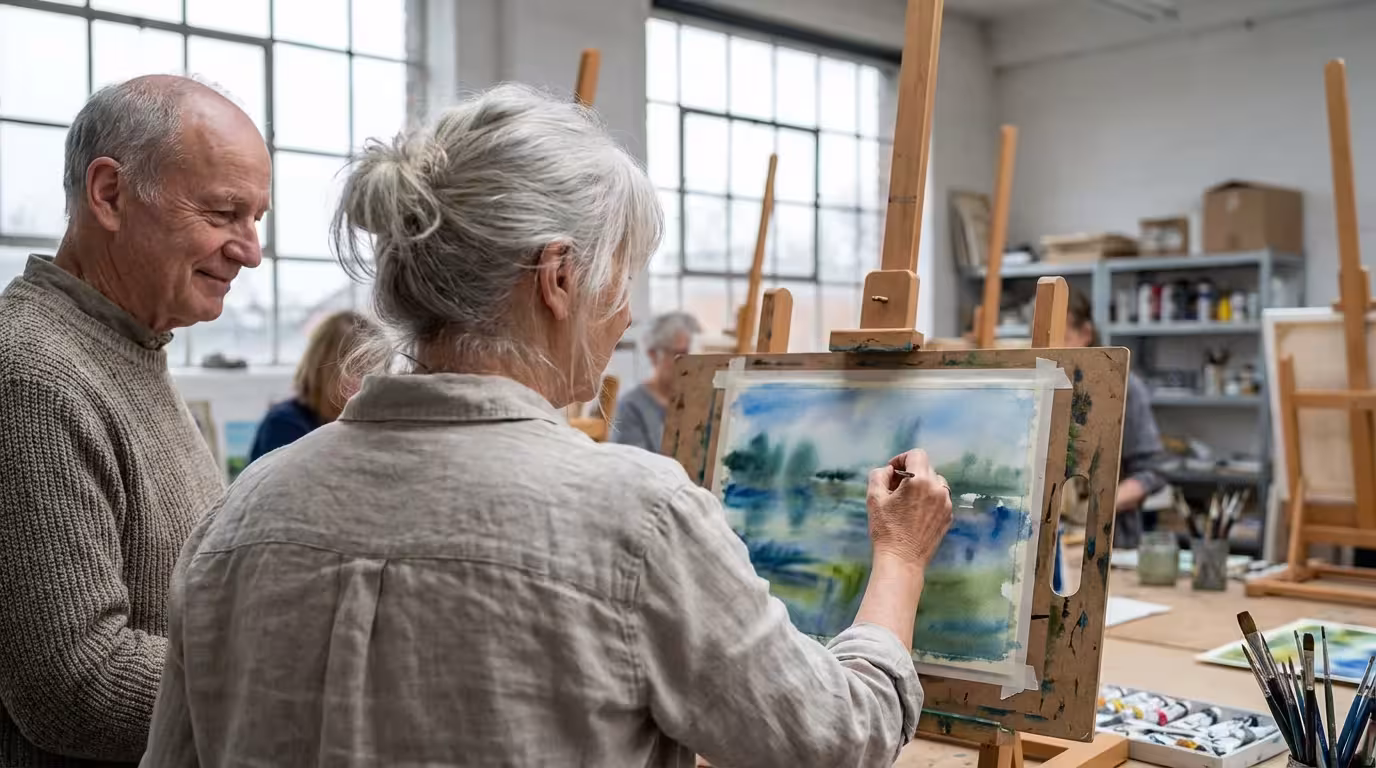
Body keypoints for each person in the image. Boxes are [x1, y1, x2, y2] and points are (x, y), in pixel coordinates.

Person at [143, 84, 954, 767]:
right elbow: (836, 736)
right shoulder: (635, 518)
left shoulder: (241, 512)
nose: (627, 313)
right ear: (559, 276)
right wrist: (902, 555)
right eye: (622, 275)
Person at [0, 76, 269, 766]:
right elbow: (75, 682)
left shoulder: (128, 344)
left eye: (256, 218)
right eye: (222, 213)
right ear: (110, 194)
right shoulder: (32, 374)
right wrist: (282, 678)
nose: (250, 249)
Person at [1063, 289, 1167, 549]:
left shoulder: (1121, 388)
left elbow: (1152, 471)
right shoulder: (1036, 388)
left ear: (1085, 334)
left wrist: (1100, 506)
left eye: (1061, 338)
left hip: (1109, 540)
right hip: (1050, 540)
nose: (1048, 350)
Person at [249, 310, 373, 462]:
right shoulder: (285, 424)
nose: (371, 379)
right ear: (326, 370)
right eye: (359, 369)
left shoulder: (362, 423)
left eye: (375, 369)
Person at [612, 311, 701, 453]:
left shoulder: (697, 401)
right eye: (679, 354)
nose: (688, 362)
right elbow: (634, 468)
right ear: (653, 355)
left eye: (689, 354)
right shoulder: (631, 407)